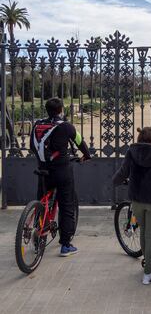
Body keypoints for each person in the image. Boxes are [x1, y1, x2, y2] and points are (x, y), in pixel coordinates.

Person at [30, 97, 91, 256]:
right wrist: (86, 155)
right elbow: (79, 141)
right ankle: (65, 245)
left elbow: (32, 146)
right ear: (61, 110)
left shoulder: (37, 125)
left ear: (46, 110)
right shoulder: (65, 126)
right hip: (62, 171)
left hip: (43, 170)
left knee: (42, 203)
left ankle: (38, 237)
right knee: (67, 205)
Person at [112, 126, 151, 285]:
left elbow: (123, 172)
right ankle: (147, 273)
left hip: (137, 199)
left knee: (144, 231)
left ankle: (147, 264)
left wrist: (114, 182)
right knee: (150, 234)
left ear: (140, 138)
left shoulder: (132, 151)